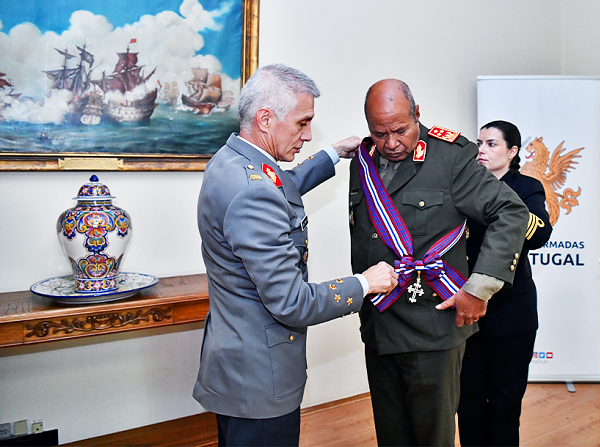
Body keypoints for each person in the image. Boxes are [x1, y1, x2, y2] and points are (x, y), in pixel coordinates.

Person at [193, 64, 398, 447]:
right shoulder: (252, 190)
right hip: (259, 381)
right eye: (302, 124)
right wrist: (364, 283)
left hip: (237, 364)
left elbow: (277, 186)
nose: (306, 135)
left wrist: (332, 155)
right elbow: (292, 303)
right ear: (266, 119)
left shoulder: (233, 161)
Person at [348, 79, 530, 446]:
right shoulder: (363, 161)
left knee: (433, 437)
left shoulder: (451, 156)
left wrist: (480, 287)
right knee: (392, 434)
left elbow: (510, 212)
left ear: (418, 114)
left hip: (432, 325)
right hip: (380, 322)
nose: (391, 143)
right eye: (379, 133)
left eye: (400, 130)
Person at [457, 120, 553, 446]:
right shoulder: (465, 185)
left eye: (492, 144)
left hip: (511, 310)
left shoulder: (526, 187)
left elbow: (539, 233)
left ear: (512, 152)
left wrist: (504, 202)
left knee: (505, 402)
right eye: (479, 143)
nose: (481, 149)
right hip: (468, 307)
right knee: (467, 400)